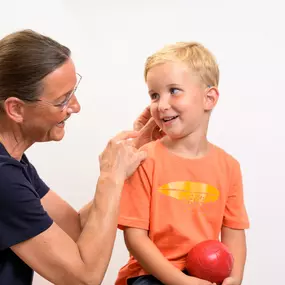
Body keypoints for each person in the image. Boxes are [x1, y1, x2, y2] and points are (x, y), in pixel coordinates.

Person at [0, 29, 161, 285]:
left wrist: (125, 166)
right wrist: (111, 177)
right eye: (62, 100)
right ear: (16, 109)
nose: (75, 106)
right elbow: (84, 278)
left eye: (73, 92)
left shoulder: (14, 163)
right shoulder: (3, 179)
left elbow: (74, 229)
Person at [115, 42, 250, 285]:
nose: (162, 104)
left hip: (204, 276)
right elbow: (135, 237)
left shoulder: (229, 166)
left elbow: (234, 232)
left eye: (174, 90)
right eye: (154, 95)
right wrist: (180, 281)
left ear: (209, 98)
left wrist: (234, 278)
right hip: (151, 276)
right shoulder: (145, 158)